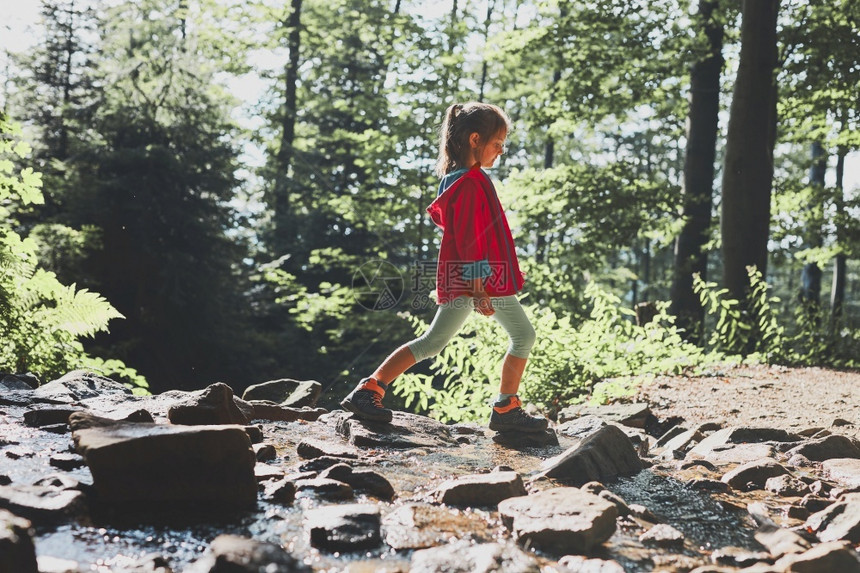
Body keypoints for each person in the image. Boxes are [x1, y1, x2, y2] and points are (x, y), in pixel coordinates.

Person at [341, 102, 547, 433]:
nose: (501, 151)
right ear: (475, 139)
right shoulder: (466, 184)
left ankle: (371, 389)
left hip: (479, 278)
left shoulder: (466, 179)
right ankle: (505, 407)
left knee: (435, 342)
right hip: (478, 279)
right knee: (518, 335)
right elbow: (469, 242)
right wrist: (479, 288)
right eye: (497, 144)